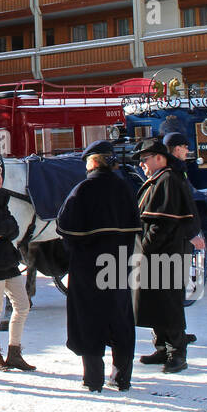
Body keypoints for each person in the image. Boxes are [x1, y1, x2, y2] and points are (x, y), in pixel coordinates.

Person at [56, 141, 142, 392]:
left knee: (88, 319)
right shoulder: (125, 188)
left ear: (92, 162)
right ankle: (123, 377)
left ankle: (93, 380)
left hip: (87, 268)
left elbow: (65, 227)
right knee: (120, 319)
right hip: (117, 265)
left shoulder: (82, 189)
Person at [132, 136, 201, 374]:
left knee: (168, 304)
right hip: (156, 254)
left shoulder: (168, 180)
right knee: (155, 302)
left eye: (145, 159)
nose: (142, 164)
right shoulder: (159, 179)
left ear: (160, 158)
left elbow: (162, 223)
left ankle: (176, 352)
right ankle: (161, 347)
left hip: (166, 255)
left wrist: (145, 247)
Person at [0, 161, 34, 373]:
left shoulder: (1, 198)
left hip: (9, 261)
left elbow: (13, 229)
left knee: (22, 305)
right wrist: (2, 231)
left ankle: (14, 351)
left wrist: (3, 231)